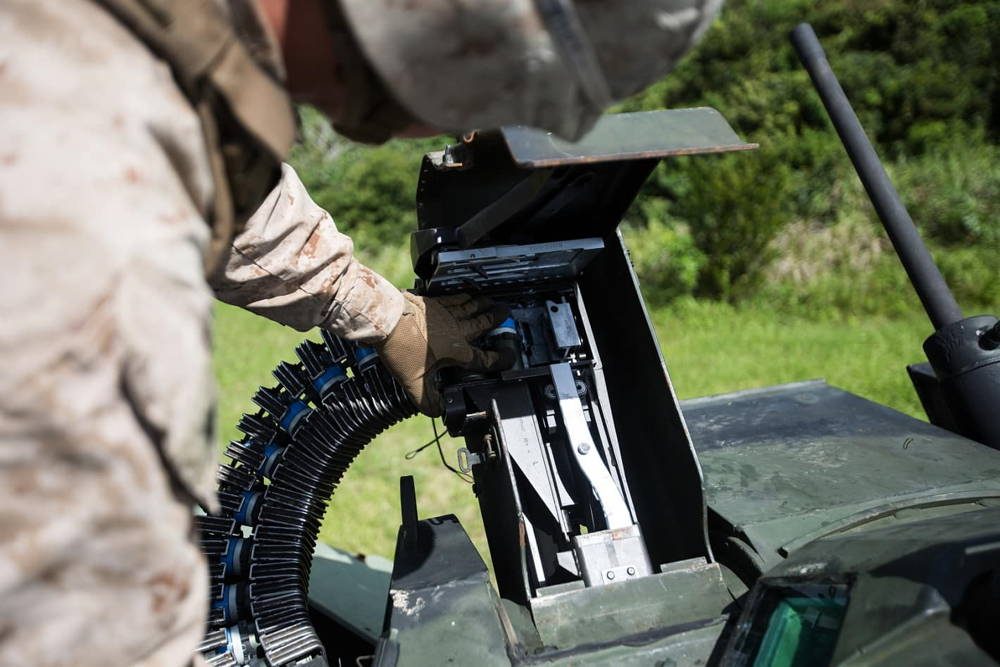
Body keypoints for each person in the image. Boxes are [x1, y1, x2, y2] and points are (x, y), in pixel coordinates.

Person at [0, 0, 721, 664]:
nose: (455, 131)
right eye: (484, 97)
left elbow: (222, 171)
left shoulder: (152, 41)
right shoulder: (73, 160)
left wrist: (377, 308)